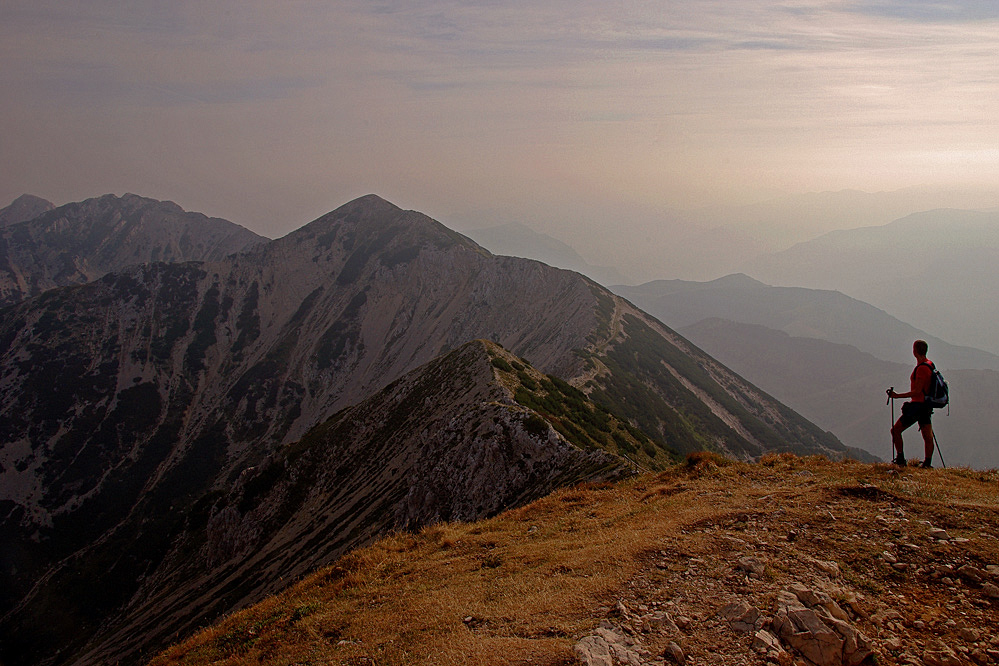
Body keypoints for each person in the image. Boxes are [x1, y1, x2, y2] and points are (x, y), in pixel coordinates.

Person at [887, 340, 936, 468]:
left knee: (896, 430)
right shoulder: (930, 364)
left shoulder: (921, 369)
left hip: (917, 407)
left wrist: (897, 396)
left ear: (915, 351)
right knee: (927, 435)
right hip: (926, 406)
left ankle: (901, 459)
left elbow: (917, 391)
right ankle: (927, 463)